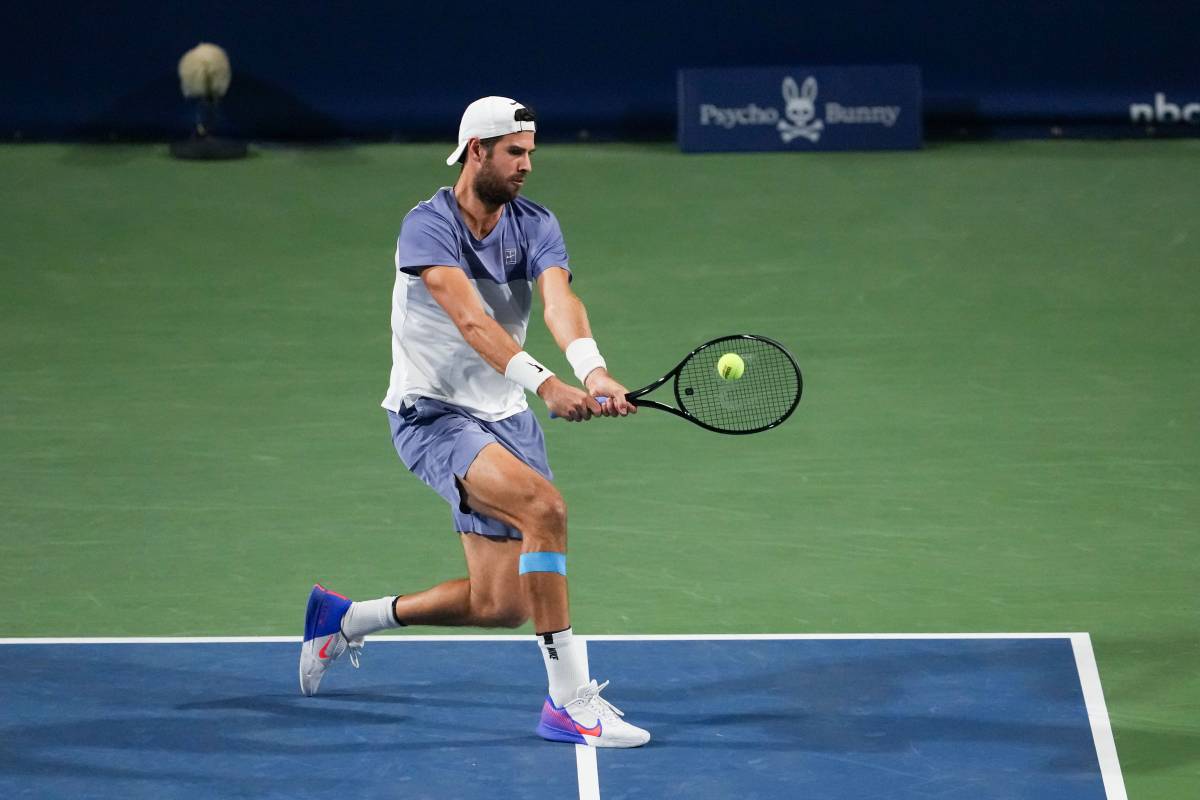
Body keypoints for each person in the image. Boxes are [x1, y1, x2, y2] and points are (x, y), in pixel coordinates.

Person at [299, 96, 650, 748]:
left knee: (502, 605)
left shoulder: (536, 224)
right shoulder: (426, 227)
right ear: (476, 150)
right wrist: (548, 384)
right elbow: (470, 320)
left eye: (531, 153)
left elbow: (559, 301)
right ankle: (569, 701)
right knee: (545, 509)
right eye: (515, 152)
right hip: (433, 415)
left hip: (506, 418)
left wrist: (594, 370)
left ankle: (345, 620)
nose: (527, 165)